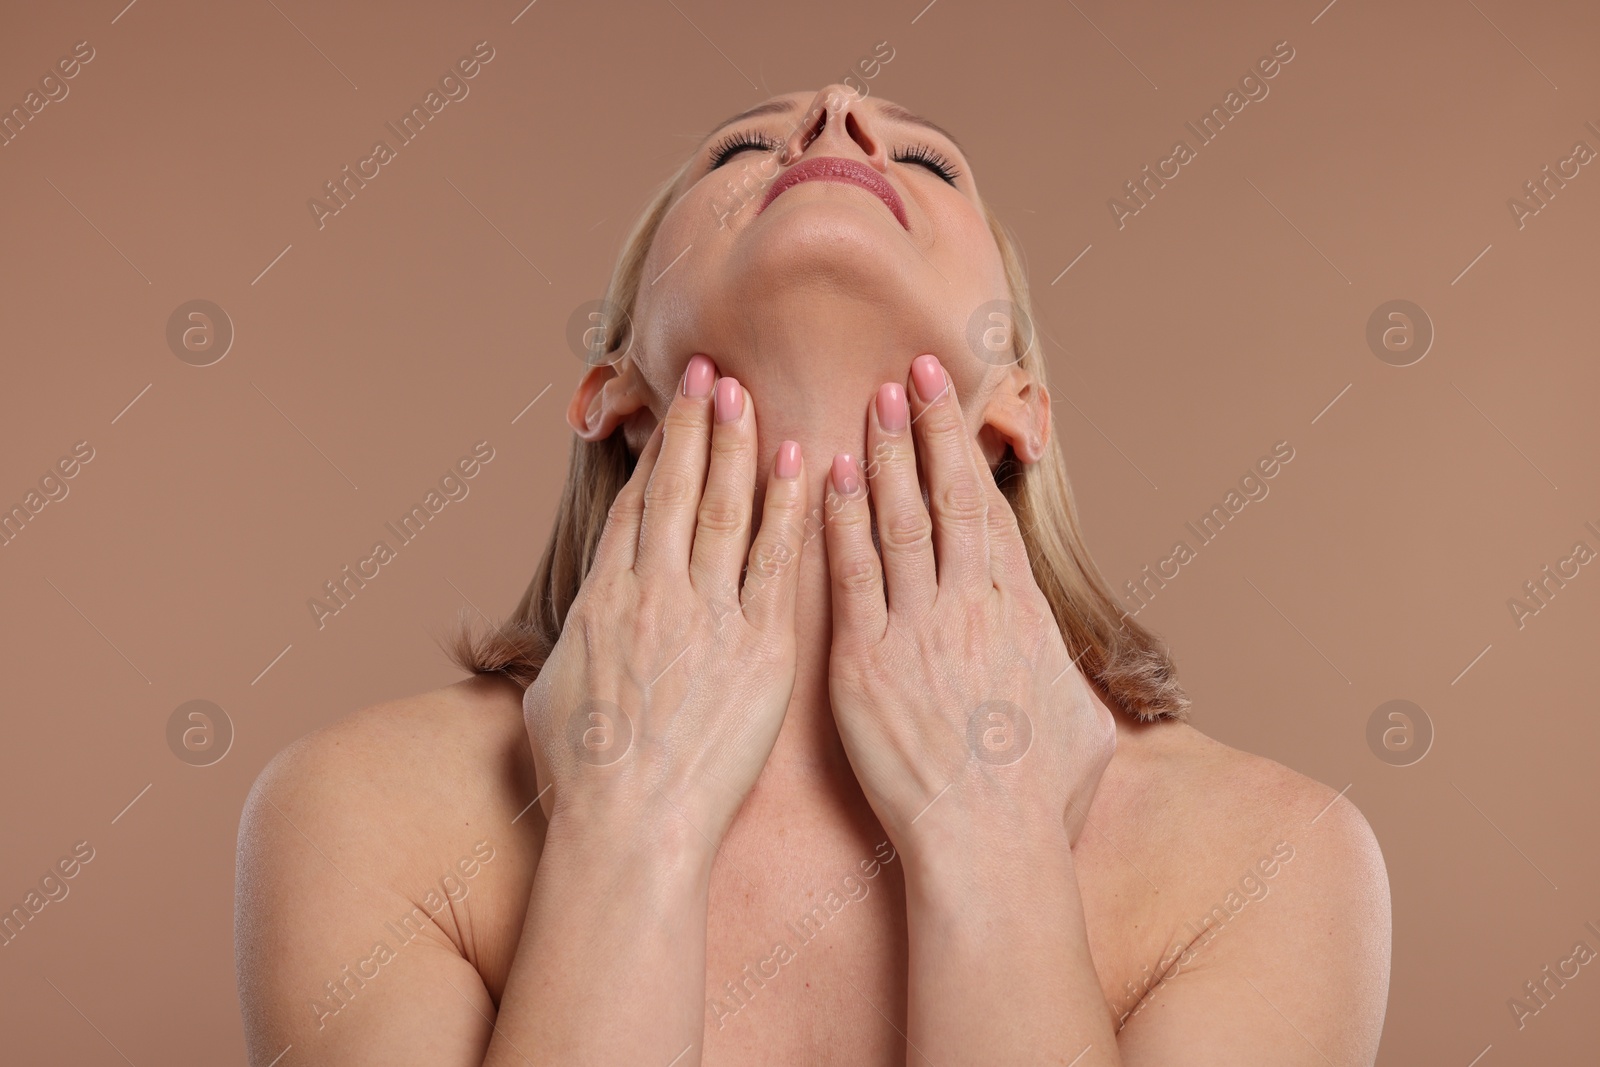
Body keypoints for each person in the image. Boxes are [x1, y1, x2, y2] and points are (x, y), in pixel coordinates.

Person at [235, 85, 1391, 1066]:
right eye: (744, 147)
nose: (839, 119)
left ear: (1019, 410)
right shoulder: (357, 808)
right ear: (611, 393)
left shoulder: (1274, 858)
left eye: (927, 157)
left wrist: (988, 830)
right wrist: (629, 816)